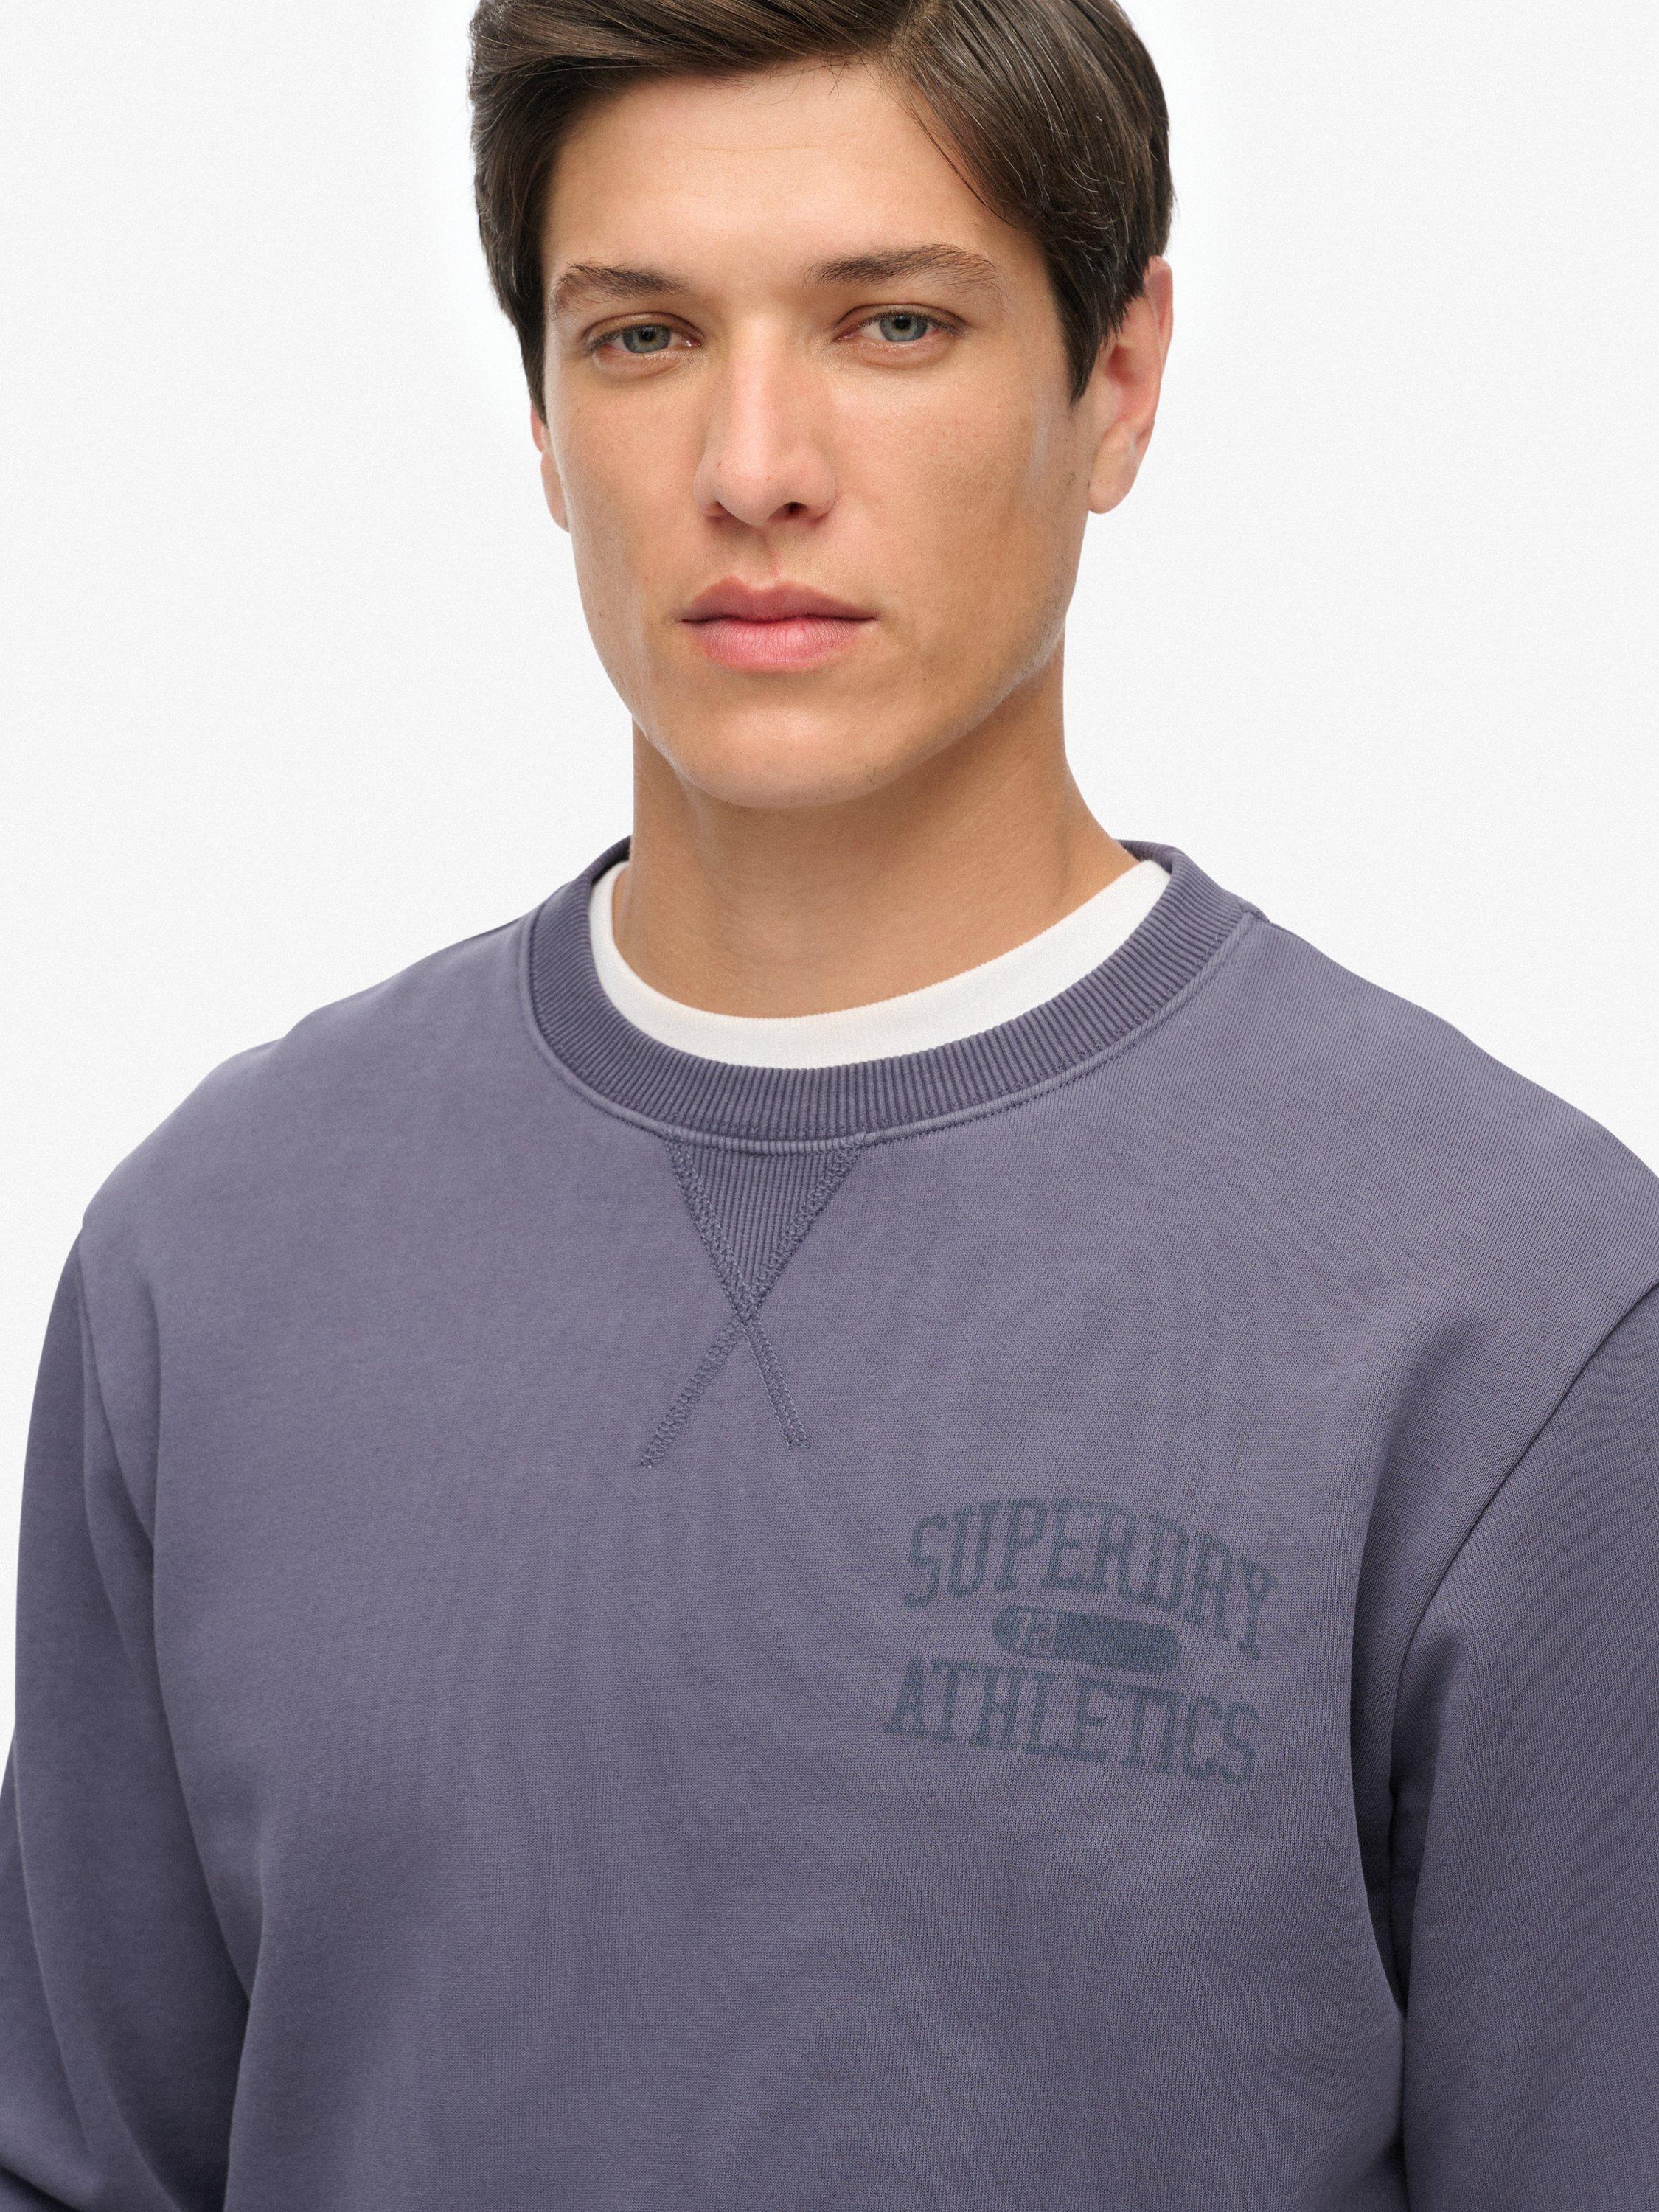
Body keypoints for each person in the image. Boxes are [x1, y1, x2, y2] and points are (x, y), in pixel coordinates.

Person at [3, 1, 1656, 2204]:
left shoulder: (1515, 1312)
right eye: (644, 336)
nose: (755, 464)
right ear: (543, 414)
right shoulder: (207, 1264)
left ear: (1118, 380)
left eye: (892, 325)